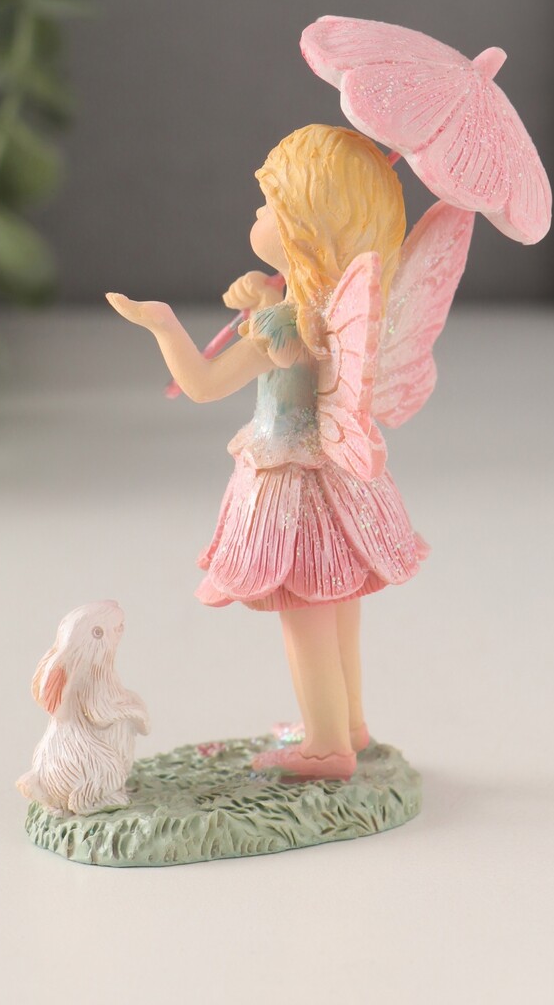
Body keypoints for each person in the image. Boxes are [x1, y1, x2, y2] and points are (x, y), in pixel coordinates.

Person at [107, 124, 428, 780]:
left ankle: (325, 747)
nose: (256, 215)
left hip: (290, 486)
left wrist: (164, 324)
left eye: (267, 206)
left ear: (305, 230)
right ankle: (349, 726)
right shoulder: (331, 308)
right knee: (337, 605)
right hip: (338, 479)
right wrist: (267, 299)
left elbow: (202, 384)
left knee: (304, 614)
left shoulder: (284, 324)